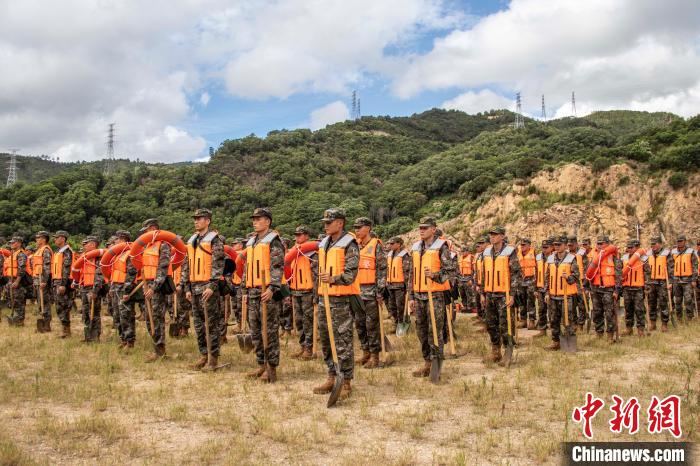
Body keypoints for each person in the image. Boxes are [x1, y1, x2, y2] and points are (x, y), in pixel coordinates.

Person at [313, 208, 358, 399]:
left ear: (340, 223)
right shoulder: (324, 243)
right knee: (326, 339)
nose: (325, 225)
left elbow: (350, 275)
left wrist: (333, 279)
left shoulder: (350, 244)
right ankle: (332, 375)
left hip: (341, 300)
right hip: (325, 298)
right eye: (324, 222)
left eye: (329, 222)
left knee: (342, 341)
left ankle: (346, 381)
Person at [408, 216, 455, 377]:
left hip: (434, 295)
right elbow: (412, 274)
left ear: (433, 229)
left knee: (434, 330)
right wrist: (411, 296)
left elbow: (450, 270)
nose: (421, 230)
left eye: (425, 228)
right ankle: (427, 362)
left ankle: (436, 362)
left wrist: (435, 275)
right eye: (420, 228)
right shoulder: (415, 248)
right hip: (419, 295)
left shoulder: (441, 247)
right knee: (421, 330)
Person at [241, 208, 284, 383]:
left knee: (269, 330)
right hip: (252, 291)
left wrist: (272, 288)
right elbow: (246, 268)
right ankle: (261, 364)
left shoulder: (274, 242)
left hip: (266, 291)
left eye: (259, 219)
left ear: (268, 221)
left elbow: (277, 266)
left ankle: (271, 367)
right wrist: (244, 290)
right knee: (256, 331)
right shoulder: (251, 242)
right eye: (254, 219)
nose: (255, 221)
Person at [183, 208, 226, 370]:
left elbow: (218, 264)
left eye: (200, 218)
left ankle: (213, 358)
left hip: (207, 287)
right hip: (193, 288)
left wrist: (212, 286)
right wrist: (187, 286)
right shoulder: (192, 240)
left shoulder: (215, 240)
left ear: (208, 221)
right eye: (195, 218)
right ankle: (203, 355)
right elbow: (187, 264)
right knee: (199, 324)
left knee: (211, 323)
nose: (196, 221)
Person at [481, 226, 522, 364]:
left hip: (504, 294)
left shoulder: (510, 252)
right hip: (490, 293)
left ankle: (508, 352)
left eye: (495, 234)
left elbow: (516, 274)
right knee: (490, 324)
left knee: (506, 325)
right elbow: (484, 274)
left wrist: (512, 294)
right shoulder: (486, 252)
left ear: (502, 236)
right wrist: (482, 293)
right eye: (491, 234)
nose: (492, 236)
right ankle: (496, 350)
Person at [353, 217, 387, 369]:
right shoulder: (355, 246)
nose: (357, 230)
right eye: (355, 227)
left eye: (359, 227)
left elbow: (382, 269)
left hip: (371, 291)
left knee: (372, 325)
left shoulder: (376, 245)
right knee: (360, 324)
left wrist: (380, 292)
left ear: (368, 228)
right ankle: (365, 351)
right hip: (357, 292)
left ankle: (375, 355)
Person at [140, 218, 174, 362]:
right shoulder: (147, 246)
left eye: (146, 230)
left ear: (153, 228)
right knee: (149, 319)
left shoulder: (163, 245)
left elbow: (163, 268)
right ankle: (156, 348)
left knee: (157, 318)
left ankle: (160, 351)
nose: (145, 234)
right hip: (147, 285)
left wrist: (154, 287)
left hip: (157, 287)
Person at [544, 236, 579, 350]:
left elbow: (576, 276)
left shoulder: (571, 258)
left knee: (567, 320)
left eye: (559, 245)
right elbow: (547, 277)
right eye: (556, 245)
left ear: (565, 245)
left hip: (566, 296)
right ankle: (555, 342)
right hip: (553, 295)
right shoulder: (550, 259)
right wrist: (547, 293)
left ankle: (569, 342)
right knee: (554, 320)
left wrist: (568, 277)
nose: (557, 247)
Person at [289, 225, 318, 360]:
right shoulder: (293, 252)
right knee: (299, 321)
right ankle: (302, 346)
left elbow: (316, 276)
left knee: (308, 321)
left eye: (300, 235)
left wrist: (316, 295)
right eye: (295, 235)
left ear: (307, 236)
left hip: (307, 292)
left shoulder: (312, 253)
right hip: (295, 291)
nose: (297, 237)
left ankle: (309, 348)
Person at [589, 235, 622, 343]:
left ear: (607, 244)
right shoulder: (594, 257)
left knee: (609, 313)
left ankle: (610, 336)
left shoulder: (613, 257)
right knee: (597, 312)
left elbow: (618, 275)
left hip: (608, 289)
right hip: (596, 288)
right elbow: (588, 273)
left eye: (601, 243)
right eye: (597, 243)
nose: (599, 245)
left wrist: (617, 290)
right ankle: (599, 334)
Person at [109, 230, 138, 349]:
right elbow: (113, 272)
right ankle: (123, 339)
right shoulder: (117, 255)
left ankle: (130, 341)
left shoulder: (129, 254)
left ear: (124, 240)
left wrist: (127, 291)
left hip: (124, 288)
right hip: (116, 287)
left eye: (117, 239)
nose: (115, 241)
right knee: (117, 315)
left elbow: (131, 274)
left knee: (126, 315)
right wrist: (111, 287)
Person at [621, 240, 650, 336]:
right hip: (626, 288)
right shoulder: (624, 257)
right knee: (628, 309)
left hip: (638, 288)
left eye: (631, 247)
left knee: (639, 310)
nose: (629, 249)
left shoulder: (643, 258)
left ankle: (641, 330)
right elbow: (620, 272)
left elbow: (647, 273)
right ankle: (629, 328)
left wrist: (646, 286)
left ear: (636, 248)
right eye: (628, 247)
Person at [78, 236, 104, 342]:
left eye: (87, 243)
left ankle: (95, 336)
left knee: (94, 313)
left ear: (93, 244)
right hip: (84, 287)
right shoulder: (85, 256)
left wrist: (95, 291)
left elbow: (99, 275)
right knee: (85, 312)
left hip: (93, 288)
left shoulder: (98, 257)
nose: (85, 245)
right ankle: (87, 336)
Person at [669, 234, 697, 322]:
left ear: (685, 241)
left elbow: (695, 266)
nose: (679, 243)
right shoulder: (673, 252)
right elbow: (670, 267)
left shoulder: (690, 251)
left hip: (688, 280)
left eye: (681, 241)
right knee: (677, 301)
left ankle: (690, 318)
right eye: (678, 241)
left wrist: (694, 279)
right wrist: (671, 280)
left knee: (688, 300)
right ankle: (679, 318)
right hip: (676, 280)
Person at [51, 231, 74, 338]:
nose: (54, 240)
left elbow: (66, 269)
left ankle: (66, 330)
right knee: (59, 306)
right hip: (57, 281)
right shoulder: (59, 251)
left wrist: (63, 284)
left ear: (63, 239)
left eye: (56, 238)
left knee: (63, 306)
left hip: (62, 282)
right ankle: (64, 329)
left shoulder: (67, 252)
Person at [647, 236, 671, 332]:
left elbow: (671, 269)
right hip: (651, 282)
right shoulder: (648, 254)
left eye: (655, 244)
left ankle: (664, 324)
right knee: (651, 303)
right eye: (652, 244)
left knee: (663, 303)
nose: (653, 246)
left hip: (662, 282)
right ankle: (652, 324)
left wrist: (671, 283)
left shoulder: (666, 253)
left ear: (660, 244)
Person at [5, 236, 31, 326]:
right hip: (11, 280)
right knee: (13, 301)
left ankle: (20, 321)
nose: (11, 244)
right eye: (11, 242)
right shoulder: (13, 253)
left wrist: (17, 281)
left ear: (19, 243)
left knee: (19, 302)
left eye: (14, 242)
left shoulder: (21, 254)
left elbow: (22, 269)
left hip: (18, 281)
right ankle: (15, 319)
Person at [386, 236, 411, 329]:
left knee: (400, 306)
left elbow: (407, 272)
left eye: (392, 244)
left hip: (400, 286)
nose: (390, 245)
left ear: (399, 244)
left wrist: (408, 286)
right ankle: (396, 323)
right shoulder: (389, 254)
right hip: (390, 285)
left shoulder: (404, 255)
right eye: (389, 244)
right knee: (392, 306)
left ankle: (402, 323)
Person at [32, 231, 53, 332]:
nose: (36, 239)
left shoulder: (45, 250)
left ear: (44, 239)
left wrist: (44, 281)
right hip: (37, 280)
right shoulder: (38, 250)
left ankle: (46, 325)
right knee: (41, 303)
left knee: (45, 303)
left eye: (38, 238)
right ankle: (42, 324)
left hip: (42, 281)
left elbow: (47, 267)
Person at [534, 239, 553, 337]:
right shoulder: (538, 257)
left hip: (551, 289)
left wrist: (548, 291)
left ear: (551, 247)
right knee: (541, 310)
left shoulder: (554, 257)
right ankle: (542, 330)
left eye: (546, 247)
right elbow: (536, 273)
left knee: (552, 311)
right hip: (540, 288)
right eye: (543, 247)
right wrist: (535, 289)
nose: (544, 249)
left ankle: (554, 331)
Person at [516, 239, 536, 329]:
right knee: (521, 300)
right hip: (521, 280)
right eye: (521, 245)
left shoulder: (534, 253)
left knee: (530, 300)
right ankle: (523, 320)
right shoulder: (518, 253)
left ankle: (532, 320)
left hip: (531, 280)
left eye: (524, 245)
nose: (522, 246)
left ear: (529, 245)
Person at [456, 245, 475, 314]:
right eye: (462, 251)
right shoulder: (460, 258)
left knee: (469, 294)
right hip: (461, 278)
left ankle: (469, 307)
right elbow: (457, 269)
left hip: (468, 278)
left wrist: (472, 279)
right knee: (462, 293)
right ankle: (464, 306)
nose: (463, 253)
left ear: (467, 251)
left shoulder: (471, 258)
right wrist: (458, 278)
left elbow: (474, 270)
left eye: (464, 251)